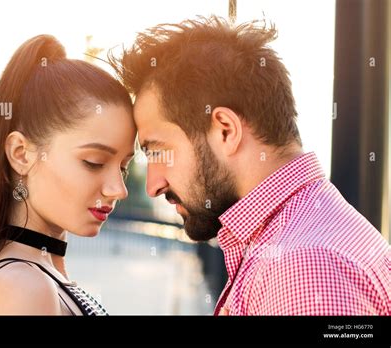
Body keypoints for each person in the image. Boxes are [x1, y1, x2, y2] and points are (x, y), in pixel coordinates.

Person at [108, 16, 391, 315]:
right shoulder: (303, 234)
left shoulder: (303, 265)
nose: (153, 186)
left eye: (157, 152)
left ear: (226, 131)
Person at [0, 34, 136, 315]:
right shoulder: (21, 287)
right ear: (21, 154)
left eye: (123, 167)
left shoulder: (40, 274)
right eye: (94, 162)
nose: (118, 189)